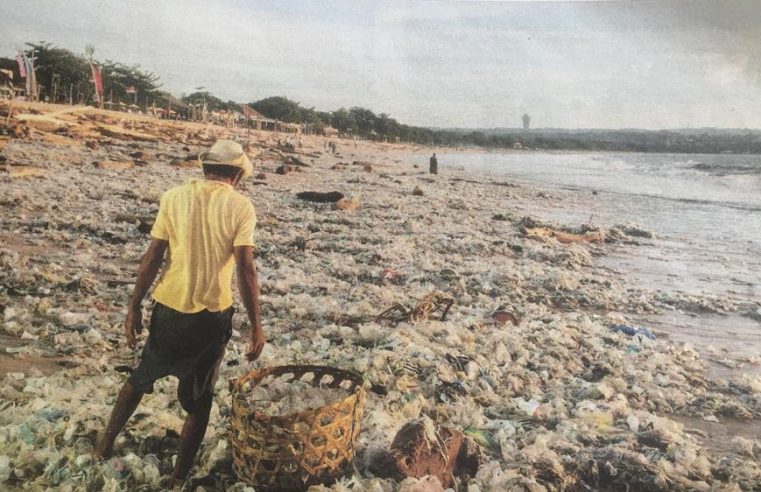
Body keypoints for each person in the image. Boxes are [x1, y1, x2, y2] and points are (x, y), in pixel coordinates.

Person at [95, 139, 265, 487]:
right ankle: (177, 477)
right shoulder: (241, 207)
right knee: (199, 402)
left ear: (206, 168)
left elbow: (153, 255)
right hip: (210, 316)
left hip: (169, 308)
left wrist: (134, 306)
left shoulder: (173, 197)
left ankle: (104, 444)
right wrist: (256, 326)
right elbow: (245, 269)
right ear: (236, 173)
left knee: (140, 377)